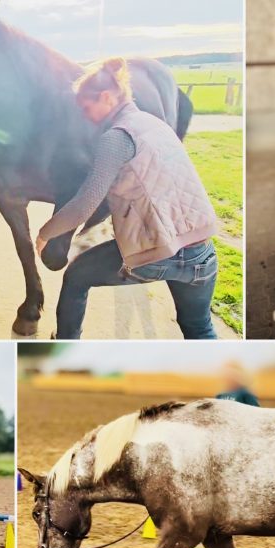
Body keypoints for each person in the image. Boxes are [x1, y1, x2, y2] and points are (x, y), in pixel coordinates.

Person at [36, 57, 220, 340]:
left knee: (76, 277)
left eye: (87, 108)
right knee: (200, 327)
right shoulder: (155, 124)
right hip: (202, 253)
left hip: (157, 253)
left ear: (106, 97)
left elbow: (85, 203)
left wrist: (45, 234)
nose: (85, 115)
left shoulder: (116, 138)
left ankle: (65, 344)